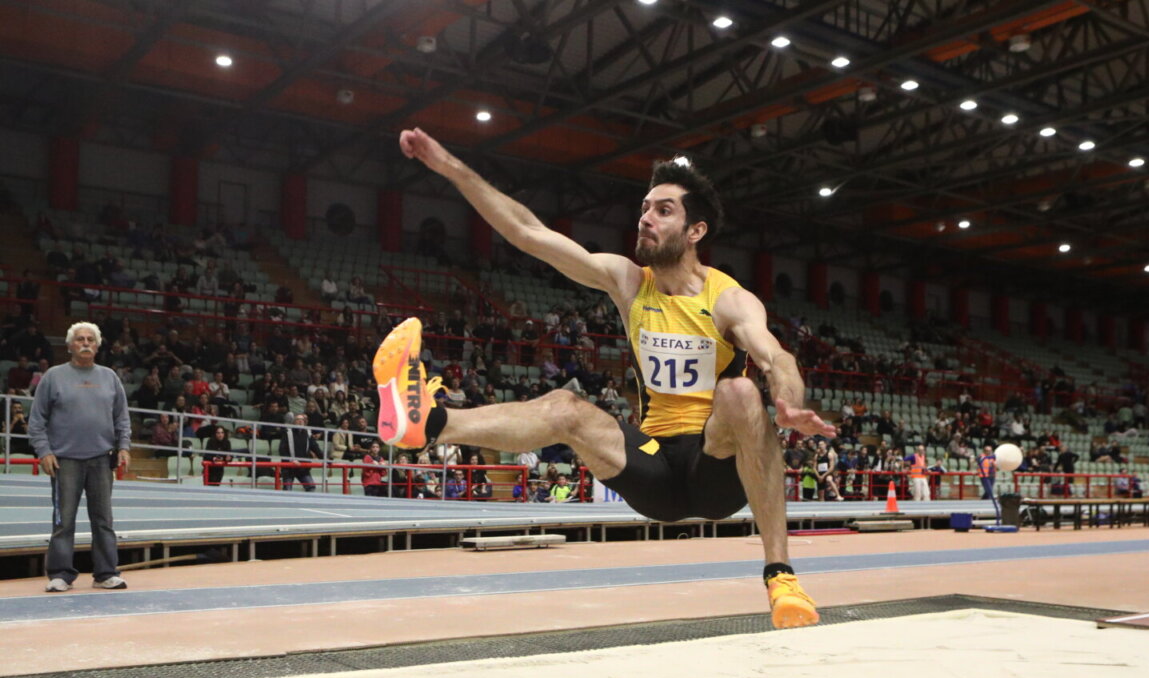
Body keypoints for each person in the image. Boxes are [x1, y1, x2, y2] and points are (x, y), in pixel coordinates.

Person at [380, 128, 835, 628]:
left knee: (739, 388)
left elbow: (776, 357)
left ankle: (781, 576)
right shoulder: (627, 281)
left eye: (663, 210)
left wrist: (788, 402)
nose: (645, 217)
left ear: (695, 231)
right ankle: (433, 424)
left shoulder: (728, 298)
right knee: (565, 407)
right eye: (644, 207)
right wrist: (449, 166)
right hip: (655, 469)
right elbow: (529, 233)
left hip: (717, 468)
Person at [28, 321, 131, 592]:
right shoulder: (53, 376)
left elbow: (122, 417)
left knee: (103, 520)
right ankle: (60, 574)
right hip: (65, 461)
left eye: (90, 339)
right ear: (70, 345)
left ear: (97, 346)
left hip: (101, 459)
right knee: (64, 521)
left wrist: (124, 447)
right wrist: (44, 451)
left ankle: (106, 573)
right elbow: (36, 420)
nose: (85, 343)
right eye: (80, 339)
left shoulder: (109, 377)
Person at [279, 414, 321, 492]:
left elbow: (315, 447)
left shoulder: (308, 433)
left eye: (302, 420)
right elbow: (282, 450)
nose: (300, 421)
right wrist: (291, 460)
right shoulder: (287, 432)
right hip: (289, 467)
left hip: (303, 467)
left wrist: (325, 458)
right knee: (287, 490)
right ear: (294, 422)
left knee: (311, 487)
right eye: (298, 419)